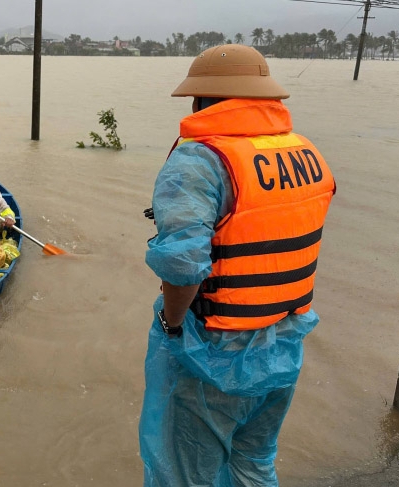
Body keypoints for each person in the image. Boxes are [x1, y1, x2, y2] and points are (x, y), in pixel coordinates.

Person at [139, 44, 336, 486]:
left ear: (204, 100)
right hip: (285, 343)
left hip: (215, 350)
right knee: (253, 462)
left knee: (190, 474)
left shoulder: (200, 160)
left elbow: (182, 263)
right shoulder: (306, 152)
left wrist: (173, 329)